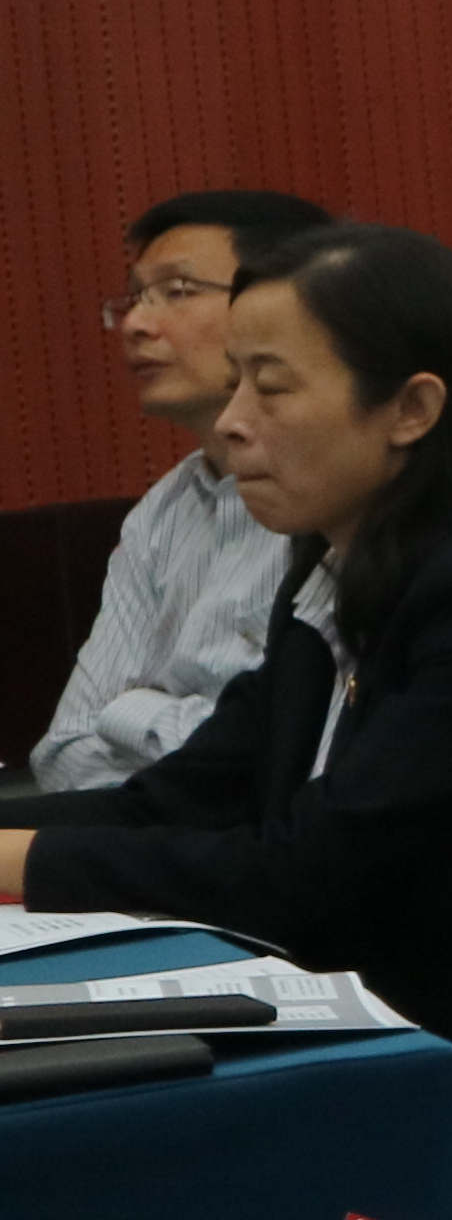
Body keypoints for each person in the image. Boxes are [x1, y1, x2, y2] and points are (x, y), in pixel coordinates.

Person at [5, 229, 452, 1185]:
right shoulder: (336, 568)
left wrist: (21, 863)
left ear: (410, 409)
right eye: (234, 382)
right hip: (377, 1032)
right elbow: (184, 796)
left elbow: (303, 873)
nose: (232, 422)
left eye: (271, 387)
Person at [20, 186, 334, 801]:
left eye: (178, 291)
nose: (135, 324)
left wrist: (130, 711)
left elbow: (293, 756)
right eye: (135, 297)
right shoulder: (162, 511)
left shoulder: (340, 503)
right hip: (136, 844)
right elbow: (63, 752)